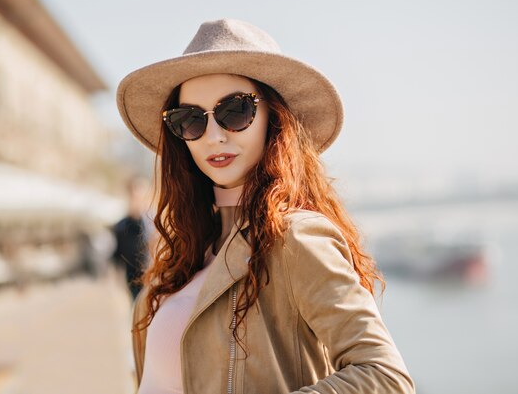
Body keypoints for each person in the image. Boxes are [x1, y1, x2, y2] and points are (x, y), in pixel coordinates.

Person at [116, 19, 415, 393]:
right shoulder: (182, 254)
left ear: (274, 117)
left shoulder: (295, 238)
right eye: (190, 119)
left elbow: (386, 377)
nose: (213, 135)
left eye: (235, 111)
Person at [111, 177, 152, 300]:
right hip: (132, 279)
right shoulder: (121, 226)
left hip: (153, 277)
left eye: (141, 194)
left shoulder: (153, 222)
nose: (138, 199)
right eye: (135, 195)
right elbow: (117, 255)